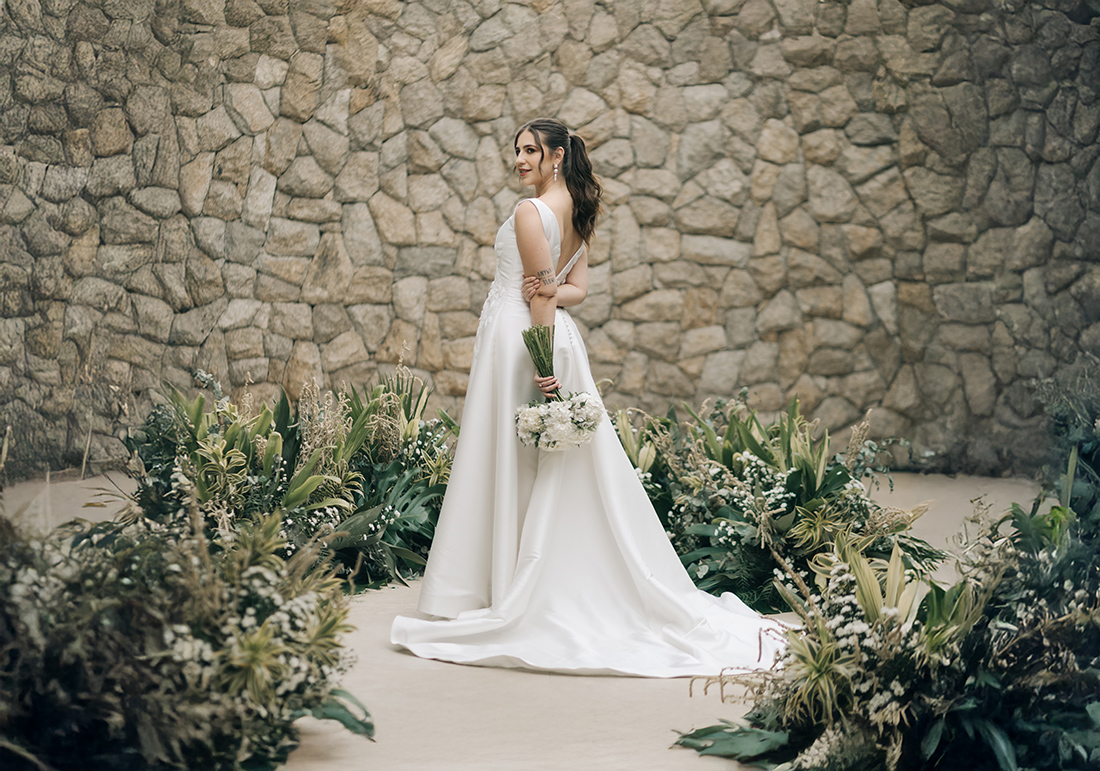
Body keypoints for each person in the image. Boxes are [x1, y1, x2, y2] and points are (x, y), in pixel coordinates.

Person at [390, 118, 784, 676]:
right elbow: (575, 290)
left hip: (526, 341)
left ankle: (506, 585)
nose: (520, 159)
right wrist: (552, 293)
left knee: (514, 458)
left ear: (556, 156)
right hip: (552, 338)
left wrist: (542, 360)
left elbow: (540, 300)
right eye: (517, 150)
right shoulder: (576, 209)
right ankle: (516, 576)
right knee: (538, 463)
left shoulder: (531, 213)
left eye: (531, 150)